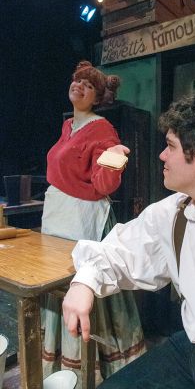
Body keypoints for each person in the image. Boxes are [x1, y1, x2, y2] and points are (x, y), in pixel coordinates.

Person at [63, 92, 195, 388]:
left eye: (170, 146)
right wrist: (84, 283)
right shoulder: (173, 213)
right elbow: (118, 251)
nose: (162, 155)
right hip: (191, 347)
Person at [41, 61, 145, 387]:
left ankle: (91, 371)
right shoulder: (68, 126)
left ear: (97, 96)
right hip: (59, 214)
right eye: (77, 80)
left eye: (87, 85)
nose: (79, 86)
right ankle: (60, 366)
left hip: (83, 218)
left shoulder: (102, 130)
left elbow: (103, 183)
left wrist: (113, 161)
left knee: (82, 280)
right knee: (55, 285)